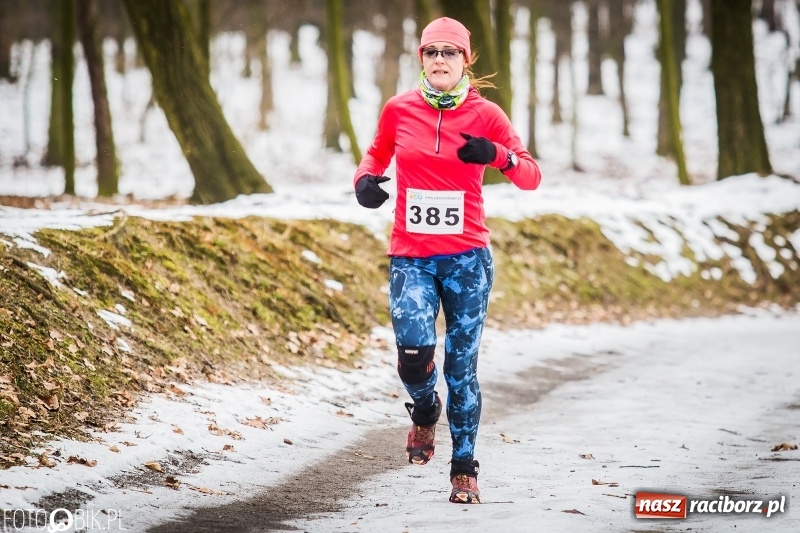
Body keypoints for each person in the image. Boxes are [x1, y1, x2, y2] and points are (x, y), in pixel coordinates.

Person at [352, 16, 542, 504]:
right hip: (412, 257)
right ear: (421, 59)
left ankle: (464, 467)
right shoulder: (399, 109)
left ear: (466, 60)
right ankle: (423, 409)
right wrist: (365, 184)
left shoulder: (487, 115)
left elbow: (531, 175)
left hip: (467, 260)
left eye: (449, 52)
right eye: (431, 52)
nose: (440, 60)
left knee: (461, 366)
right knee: (414, 354)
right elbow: (374, 157)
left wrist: (497, 154)